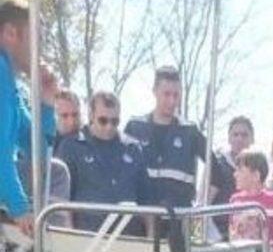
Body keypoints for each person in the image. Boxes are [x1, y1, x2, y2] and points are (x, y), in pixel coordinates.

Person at [0, 0, 57, 237]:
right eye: (37, 40)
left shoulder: (12, 90)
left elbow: (39, 150)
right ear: (11, 33)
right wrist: (21, 209)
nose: (40, 51)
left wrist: (46, 103)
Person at [58, 91, 152, 236]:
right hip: (87, 239)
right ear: (91, 116)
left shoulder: (133, 148)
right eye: (103, 120)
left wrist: (151, 241)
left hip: (130, 240)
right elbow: (62, 199)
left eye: (115, 121)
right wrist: (69, 237)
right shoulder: (71, 147)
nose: (109, 126)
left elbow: (146, 200)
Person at [124, 66, 205, 215]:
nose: (172, 101)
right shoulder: (134, 127)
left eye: (176, 95)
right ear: (155, 91)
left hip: (178, 220)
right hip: (141, 219)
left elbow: (217, 171)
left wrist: (201, 204)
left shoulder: (190, 131)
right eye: (166, 94)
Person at [209, 115, 255, 208]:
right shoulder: (217, 164)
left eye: (244, 135)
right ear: (229, 138)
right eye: (235, 134)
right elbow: (205, 201)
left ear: (252, 139)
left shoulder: (259, 166)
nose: (239, 139)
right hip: (219, 221)